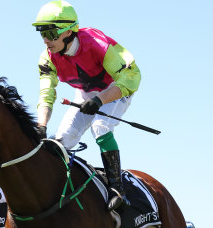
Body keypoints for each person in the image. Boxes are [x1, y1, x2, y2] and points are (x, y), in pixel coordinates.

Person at [32, 0, 141, 211]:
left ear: (69, 32)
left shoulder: (97, 43)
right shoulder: (47, 58)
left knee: (100, 127)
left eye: (51, 33)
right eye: (42, 33)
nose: (46, 40)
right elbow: (46, 93)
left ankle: (117, 188)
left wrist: (101, 100)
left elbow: (132, 76)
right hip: (84, 94)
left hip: (116, 90)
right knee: (60, 142)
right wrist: (41, 125)